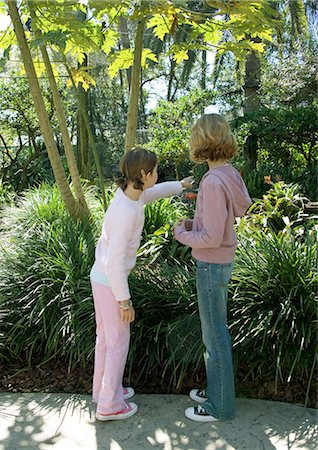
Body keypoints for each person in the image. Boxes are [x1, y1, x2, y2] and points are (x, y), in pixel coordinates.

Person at [90, 147, 193, 421]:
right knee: (118, 342)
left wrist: (180, 186)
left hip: (101, 278)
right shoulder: (125, 212)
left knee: (106, 339)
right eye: (156, 171)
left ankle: (103, 392)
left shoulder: (130, 195)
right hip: (110, 281)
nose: (157, 175)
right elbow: (114, 262)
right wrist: (124, 302)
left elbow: (153, 193)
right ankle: (109, 406)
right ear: (144, 174)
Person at [173, 114, 252, 422]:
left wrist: (181, 233)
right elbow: (219, 222)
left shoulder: (213, 181)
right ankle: (217, 390)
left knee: (214, 336)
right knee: (215, 333)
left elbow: (211, 237)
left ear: (202, 141)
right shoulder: (229, 174)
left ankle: (220, 406)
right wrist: (194, 222)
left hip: (211, 265)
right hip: (221, 263)